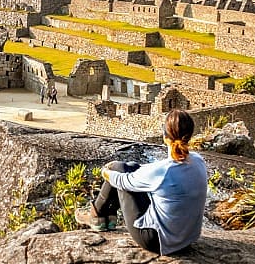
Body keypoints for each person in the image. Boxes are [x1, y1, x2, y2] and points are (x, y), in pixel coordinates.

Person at [75, 109, 208, 255]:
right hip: (186, 239)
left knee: (119, 169)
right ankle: (104, 216)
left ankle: (97, 215)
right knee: (130, 167)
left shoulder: (163, 172)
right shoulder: (198, 160)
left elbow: (122, 181)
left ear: (165, 136)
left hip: (157, 240)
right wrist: (127, 167)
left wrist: (106, 171)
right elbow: (152, 170)